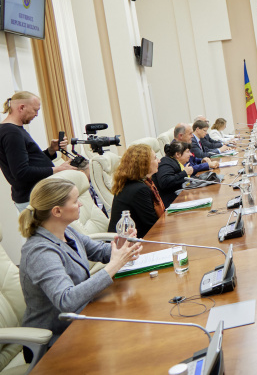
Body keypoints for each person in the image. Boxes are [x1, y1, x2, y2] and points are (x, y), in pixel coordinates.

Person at [19, 178, 141, 349]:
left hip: (84, 317)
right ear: (57, 211)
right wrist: (114, 265)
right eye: (75, 201)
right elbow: (66, 300)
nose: (81, 204)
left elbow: (99, 251)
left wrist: (121, 247)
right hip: (55, 341)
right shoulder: (39, 252)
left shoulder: (66, 231)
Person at [0, 91, 75, 212]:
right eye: (35, 110)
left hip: (35, 197)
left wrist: (51, 150)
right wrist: (56, 169)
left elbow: (29, 162)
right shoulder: (11, 133)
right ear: (22, 107)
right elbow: (21, 172)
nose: (36, 114)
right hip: (33, 199)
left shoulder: (14, 130)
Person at [107, 144, 165, 238]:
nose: (159, 160)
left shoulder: (139, 184)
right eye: (155, 158)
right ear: (144, 164)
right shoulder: (139, 189)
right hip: (129, 244)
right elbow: (153, 225)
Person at [155, 141, 194, 207]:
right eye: (187, 152)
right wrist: (184, 173)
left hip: (179, 199)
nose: (190, 154)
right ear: (178, 154)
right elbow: (165, 182)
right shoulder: (166, 162)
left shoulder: (175, 162)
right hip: (171, 204)